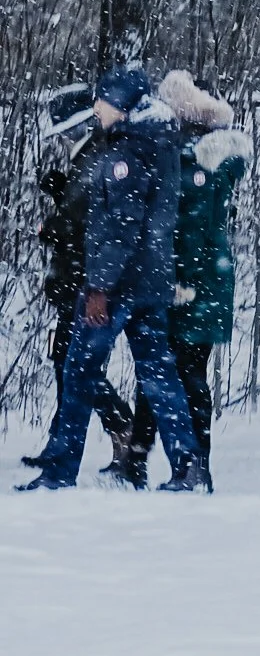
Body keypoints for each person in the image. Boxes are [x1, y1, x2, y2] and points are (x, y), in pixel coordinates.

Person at [18, 67, 209, 492]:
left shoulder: (127, 153)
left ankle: (59, 471)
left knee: (79, 371)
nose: (96, 109)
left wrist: (100, 288)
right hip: (152, 282)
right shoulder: (161, 143)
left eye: (101, 101)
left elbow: (120, 227)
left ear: (120, 103)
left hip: (118, 284)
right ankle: (188, 464)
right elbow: (155, 223)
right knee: (160, 374)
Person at [123, 71, 248, 483]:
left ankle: (190, 466)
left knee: (182, 375)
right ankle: (144, 458)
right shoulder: (201, 158)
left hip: (194, 285)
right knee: (161, 369)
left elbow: (194, 231)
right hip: (194, 281)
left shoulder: (200, 165)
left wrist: (182, 281)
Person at [24, 86, 135, 479]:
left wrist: (53, 226)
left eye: (65, 132)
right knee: (67, 362)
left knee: (73, 364)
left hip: (83, 283)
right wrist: (60, 197)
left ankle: (118, 423)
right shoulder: (90, 156)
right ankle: (62, 442)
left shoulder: (95, 157)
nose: (63, 139)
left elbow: (85, 222)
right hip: (78, 280)